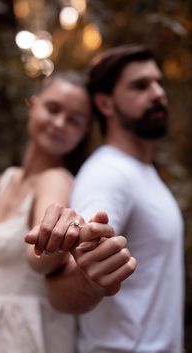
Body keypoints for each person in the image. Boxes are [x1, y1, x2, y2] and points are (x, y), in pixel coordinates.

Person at [26, 45, 184, 353]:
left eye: (158, 82)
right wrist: (90, 280)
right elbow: (61, 286)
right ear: (105, 103)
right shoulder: (109, 174)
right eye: (140, 85)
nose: (157, 93)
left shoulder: (141, 171)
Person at [0, 70, 96, 353]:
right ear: (33, 104)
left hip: (23, 335)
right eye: (53, 109)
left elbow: (39, 257)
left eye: (74, 120)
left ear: (83, 133)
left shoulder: (55, 180)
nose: (59, 123)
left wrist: (52, 243)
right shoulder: (5, 180)